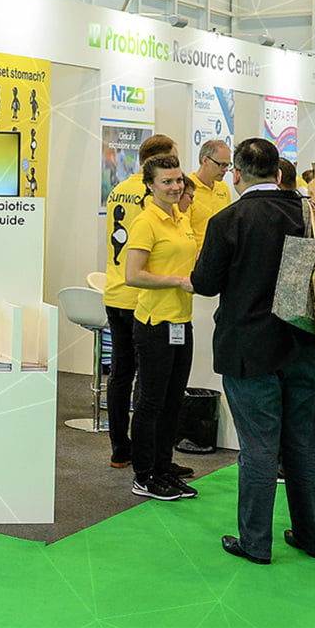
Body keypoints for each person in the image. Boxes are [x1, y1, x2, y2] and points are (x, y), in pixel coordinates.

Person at [190, 137, 315, 565]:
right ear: (278, 174)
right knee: (304, 444)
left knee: (258, 447)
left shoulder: (229, 220)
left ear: (237, 175)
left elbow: (205, 283)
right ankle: (314, 536)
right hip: (307, 345)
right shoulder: (313, 215)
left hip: (250, 349)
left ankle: (256, 542)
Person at [123, 155, 199, 501]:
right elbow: (133, 275)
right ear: (150, 185)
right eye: (166, 181)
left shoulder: (181, 217)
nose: (175, 187)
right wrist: (177, 281)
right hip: (155, 323)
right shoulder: (146, 222)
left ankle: (163, 468)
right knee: (151, 402)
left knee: (173, 400)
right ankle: (144, 474)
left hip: (182, 320)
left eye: (178, 180)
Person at [102, 133, 178, 469]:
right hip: (141, 297)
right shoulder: (151, 197)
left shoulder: (118, 188)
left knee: (120, 373)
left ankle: (121, 448)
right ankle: (147, 455)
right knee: (148, 382)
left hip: (115, 290)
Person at [187, 139, 232, 252]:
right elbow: (183, 230)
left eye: (227, 165)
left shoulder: (224, 188)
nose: (225, 169)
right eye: (221, 164)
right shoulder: (187, 189)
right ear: (205, 160)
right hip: (196, 256)